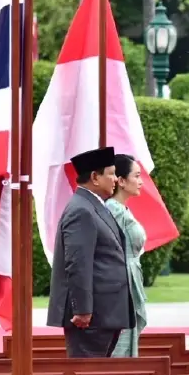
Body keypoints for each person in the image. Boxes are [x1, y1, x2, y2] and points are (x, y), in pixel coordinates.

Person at [46, 146, 135, 358]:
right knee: (86, 374)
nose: (115, 179)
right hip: (91, 319)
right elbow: (78, 264)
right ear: (95, 177)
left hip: (104, 315)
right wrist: (82, 310)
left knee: (97, 374)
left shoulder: (93, 205)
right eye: (111, 174)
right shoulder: (81, 210)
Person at [105, 154, 149, 357]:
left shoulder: (122, 209)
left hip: (129, 280)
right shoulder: (112, 210)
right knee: (119, 348)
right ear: (121, 181)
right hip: (120, 286)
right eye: (136, 176)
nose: (141, 182)